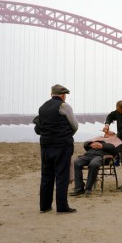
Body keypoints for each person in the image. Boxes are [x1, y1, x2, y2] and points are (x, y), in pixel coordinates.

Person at [37, 84, 78, 214]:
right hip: (62, 145)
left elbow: (39, 127)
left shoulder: (42, 107)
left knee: (46, 175)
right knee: (62, 176)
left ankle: (45, 206)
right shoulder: (64, 106)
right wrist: (67, 134)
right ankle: (62, 206)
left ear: (51, 94)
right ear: (63, 95)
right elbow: (74, 125)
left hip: (45, 145)